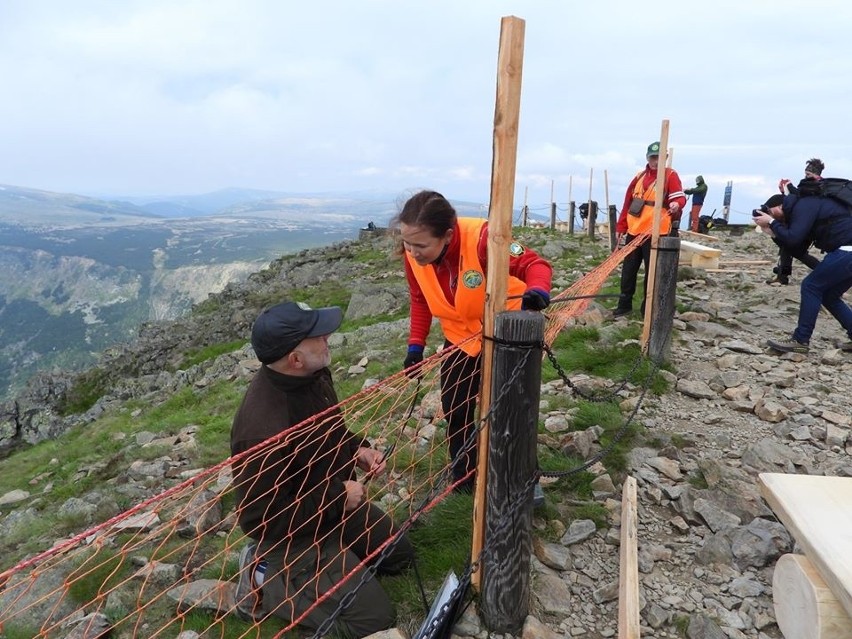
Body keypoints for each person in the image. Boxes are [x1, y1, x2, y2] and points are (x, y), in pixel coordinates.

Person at [230, 301, 414, 637]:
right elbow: (259, 519)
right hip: (294, 536)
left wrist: (357, 447)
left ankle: (334, 565)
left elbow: (331, 429)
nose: (327, 336)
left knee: (399, 558)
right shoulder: (264, 429)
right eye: (317, 335)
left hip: (331, 509)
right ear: (295, 358)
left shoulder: (310, 375)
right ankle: (265, 577)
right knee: (372, 619)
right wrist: (338, 498)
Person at [392, 190, 553, 493]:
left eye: (420, 245)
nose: (412, 252)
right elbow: (420, 299)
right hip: (461, 339)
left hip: (509, 332)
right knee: (455, 407)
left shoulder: (484, 239)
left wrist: (538, 290)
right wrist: (415, 346)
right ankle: (466, 478)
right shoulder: (414, 256)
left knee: (511, 407)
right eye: (407, 242)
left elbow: (536, 265)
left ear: (448, 235)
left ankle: (517, 475)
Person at [753, 190, 852, 354]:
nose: (771, 216)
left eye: (769, 212)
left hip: (847, 250)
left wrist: (771, 222)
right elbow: (797, 249)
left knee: (810, 286)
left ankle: (800, 341)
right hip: (846, 252)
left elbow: (793, 237)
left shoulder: (803, 205)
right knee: (829, 295)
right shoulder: (800, 214)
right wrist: (772, 232)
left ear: (779, 205)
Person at [612, 141, 687, 317]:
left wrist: (677, 204)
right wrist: (621, 225)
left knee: (652, 272)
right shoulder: (639, 177)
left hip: (656, 231)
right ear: (648, 158)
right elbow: (627, 203)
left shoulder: (670, 176)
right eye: (653, 157)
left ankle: (648, 308)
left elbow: (679, 197)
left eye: (659, 158)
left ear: (665, 158)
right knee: (628, 269)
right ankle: (624, 305)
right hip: (634, 230)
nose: (655, 161)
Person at [767, 158, 824, 285]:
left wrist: (790, 188)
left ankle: (827, 273)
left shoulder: (818, 186)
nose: (806, 176)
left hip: (807, 225)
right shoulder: (813, 185)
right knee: (786, 247)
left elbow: (804, 199)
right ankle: (782, 276)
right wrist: (786, 191)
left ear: (817, 174)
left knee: (798, 252)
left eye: (808, 174)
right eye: (806, 174)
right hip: (802, 222)